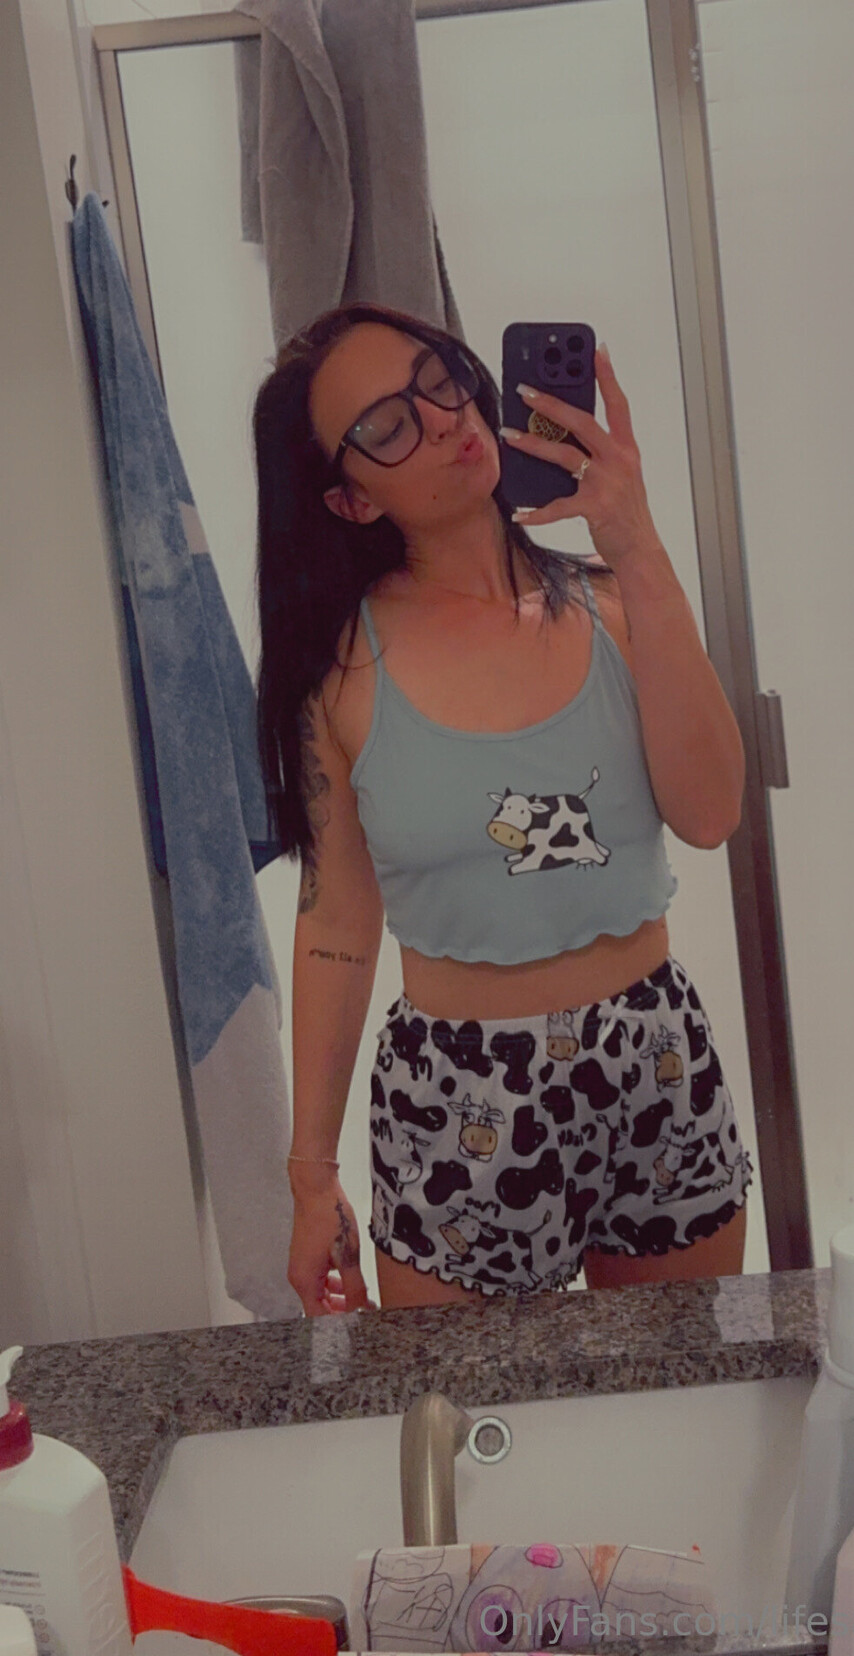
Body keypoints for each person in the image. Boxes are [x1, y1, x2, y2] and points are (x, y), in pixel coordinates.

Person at [253, 301, 752, 1314]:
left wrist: (636, 541)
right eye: (388, 425)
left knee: (681, 1387)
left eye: (436, 378)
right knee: (465, 1408)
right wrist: (310, 1177)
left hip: (654, 1059)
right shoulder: (338, 671)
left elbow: (710, 814)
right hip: (458, 1090)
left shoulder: (617, 600)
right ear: (349, 499)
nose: (443, 418)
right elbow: (338, 924)